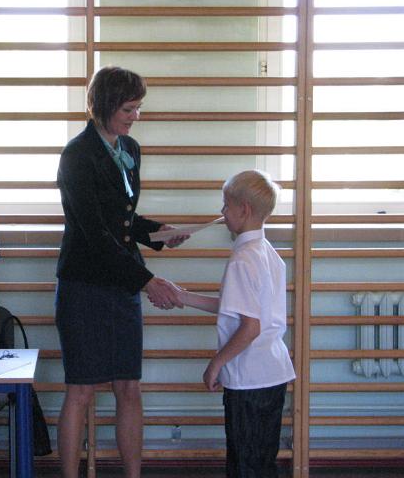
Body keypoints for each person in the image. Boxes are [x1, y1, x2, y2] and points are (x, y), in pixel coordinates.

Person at [55, 66, 189, 478]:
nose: (135, 117)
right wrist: (147, 281)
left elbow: (122, 219)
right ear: (104, 105)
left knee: (129, 386)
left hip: (122, 282)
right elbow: (94, 232)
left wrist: (158, 233)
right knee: (80, 391)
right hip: (84, 285)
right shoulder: (77, 155)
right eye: (128, 109)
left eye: (138, 108)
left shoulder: (129, 147)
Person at [169, 170, 296, 477]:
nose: (222, 211)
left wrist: (216, 363)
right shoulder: (267, 253)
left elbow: (250, 327)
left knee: (244, 466)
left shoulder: (243, 259)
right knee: (261, 462)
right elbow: (236, 309)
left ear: (244, 210)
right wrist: (183, 297)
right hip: (272, 375)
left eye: (226, 205)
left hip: (249, 379)